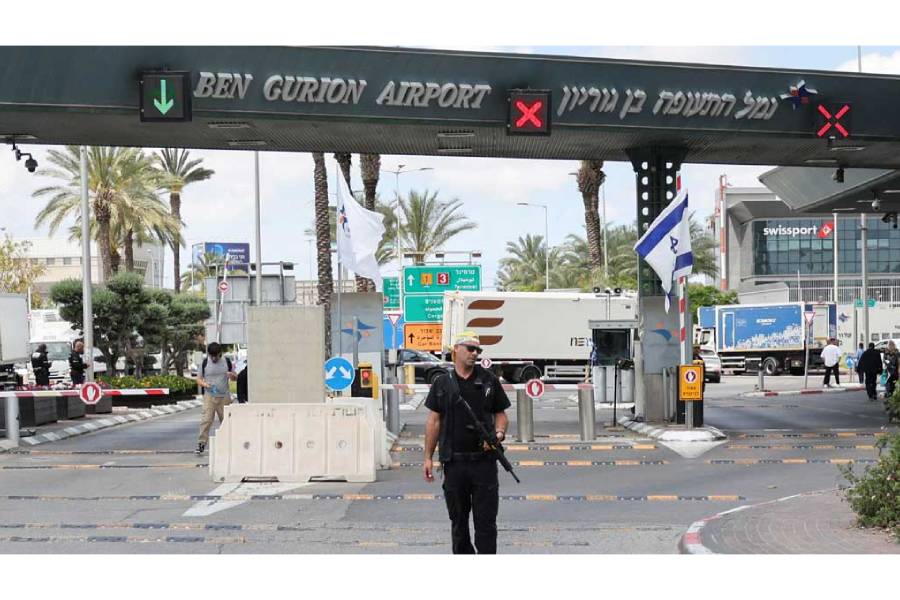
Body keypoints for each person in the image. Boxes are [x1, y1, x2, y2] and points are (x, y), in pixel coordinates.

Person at [423, 331, 511, 554]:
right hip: (454, 463)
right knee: (459, 524)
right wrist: (427, 457)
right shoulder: (442, 382)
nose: (475, 354)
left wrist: (498, 434)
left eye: (478, 350)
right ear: (456, 350)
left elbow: (501, 414)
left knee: (486, 525)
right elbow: (434, 421)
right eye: (470, 349)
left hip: (484, 464)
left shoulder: (489, 380)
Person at [195, 342, 236, 454]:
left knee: (226, 420)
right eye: (211, 356)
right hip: (210, 395)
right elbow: (198, 379)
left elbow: (234, 377)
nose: (213, 358)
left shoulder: (227, 362)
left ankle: (229, 443)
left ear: (220, 354)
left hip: (224, 396)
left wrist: (232, 376)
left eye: (215, 356)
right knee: (206, 419)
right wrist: (205, 385)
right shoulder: (204, 363)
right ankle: (201, 443)